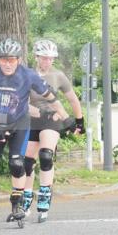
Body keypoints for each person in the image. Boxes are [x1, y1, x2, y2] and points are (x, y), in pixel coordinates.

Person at [0, 37, 63, 226]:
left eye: (11, 60)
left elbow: (50, 96)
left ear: (19, 60)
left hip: (19, 125)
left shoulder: (28, 75)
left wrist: (65, 116)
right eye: (3, 59)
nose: (7, 64)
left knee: (17, 164)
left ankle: (17, 203)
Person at [21, 39, 83, 222]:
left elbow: (72, 99)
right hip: (32, 119)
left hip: (52, 120)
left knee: (46, 156)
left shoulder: (58, 76)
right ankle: (26, 198)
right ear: (36, 57)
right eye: (44, 58)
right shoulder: (28, 75)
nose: (47, 61)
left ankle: (44, 196)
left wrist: (79, 121)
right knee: (27, 163)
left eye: (50, 58)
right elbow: (22, 103)